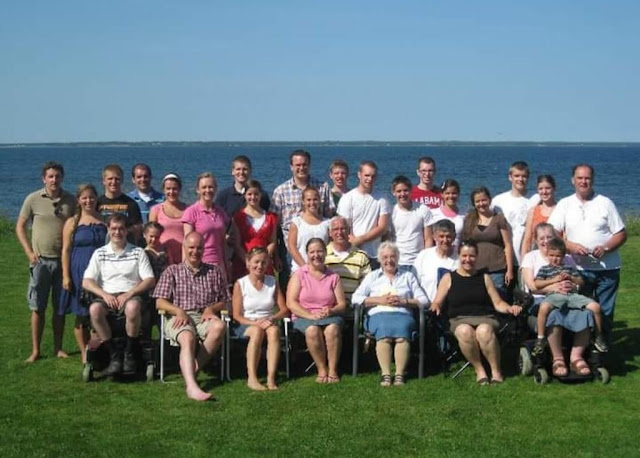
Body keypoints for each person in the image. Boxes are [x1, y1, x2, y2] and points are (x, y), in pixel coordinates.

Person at [548, 164, 627, 342]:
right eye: (580, 178)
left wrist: (605, 247)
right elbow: (553, 233)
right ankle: (579, 350)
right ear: (572, 180)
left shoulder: (605, 203)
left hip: (607, 269)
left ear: (593, 180)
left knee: (605, 311)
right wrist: (570, 246)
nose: (584, 182)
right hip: (577, 270)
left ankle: (601, 349)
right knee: (579, 310)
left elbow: (621, 234)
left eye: (587, 178)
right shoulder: (565, 204)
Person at [430, 240, 522, 384]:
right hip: (458, 319)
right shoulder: (448, 278)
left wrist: (510, 308)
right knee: (464, 331)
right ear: (459, 256)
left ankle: (496, 371)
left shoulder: (484, 278)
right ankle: (480, 370)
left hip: (485, 317)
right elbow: (437, 301)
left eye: (472, 256)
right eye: (464, 255)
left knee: (484, 330)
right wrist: (435, 306)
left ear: (477, 257)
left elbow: (497, 302)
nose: (468, 259)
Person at [153, 232, 229, 401]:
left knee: (219, 327)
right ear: (184, 248)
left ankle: (191, 370)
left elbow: (225, 301)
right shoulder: (172, 271)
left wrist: (211, 309)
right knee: (187, 337)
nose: (195, 251)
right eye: (191, 248)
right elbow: (159, 302)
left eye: (199, 248)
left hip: (204, 316)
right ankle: (192, 387)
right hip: (180, 316)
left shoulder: (214, 271)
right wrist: (177, 310)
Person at [16, 161, 76, 362]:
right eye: (50, 176)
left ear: (62, 178)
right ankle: (36, 350)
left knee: (59, 308)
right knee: (38, 308)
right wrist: (29, 253)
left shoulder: (70, 201)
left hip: (63, 262)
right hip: (40, 262)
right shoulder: (33, 199)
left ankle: (58, 348)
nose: (54, 180)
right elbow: (20, 227)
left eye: (57, 176)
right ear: (44, 178)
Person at [82, 213, 156, 375]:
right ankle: (113, 355)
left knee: (133, 306)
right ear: (108, 229)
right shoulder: (99, 253)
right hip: (106, 296)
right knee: (94, 310)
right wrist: (104, 295)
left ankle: (130, 353)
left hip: (130, 294)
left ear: (126, 230)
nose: (117, 232)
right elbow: (87, 281)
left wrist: (129, 293)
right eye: (114, 228)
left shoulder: (137, 252)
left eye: (121, 228)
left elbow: (149, 279)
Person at [521, 223, 596, 377]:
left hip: (569, 296)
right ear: (536, 239)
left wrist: (571, 287)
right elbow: (532, 286)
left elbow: (577, 281)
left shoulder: (566, 258)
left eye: (549, 237)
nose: (545, 240)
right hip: (541, 298)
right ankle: (558, 358)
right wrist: (554, 287)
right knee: (555, 315)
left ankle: (576, 357)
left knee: (586, 313)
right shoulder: (531, 257)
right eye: (541, 238)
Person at [352, 242, 429, 386]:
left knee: (402, 334)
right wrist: (379, 300)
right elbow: (356, 298)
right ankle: (386, 374)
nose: (389, 260)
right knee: (384, 333)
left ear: (398, 258)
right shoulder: (373, 276)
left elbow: (424, 300)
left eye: (392, 256)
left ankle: (399, 374)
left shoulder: (408, 276)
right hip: (378, 314)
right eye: (385, 257)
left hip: (402, 314)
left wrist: (404, 301)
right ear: (380, 260)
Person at [532, 238, 607, 356]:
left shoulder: (569, 268)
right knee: (544, 307)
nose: (555, 259)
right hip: (555, 295)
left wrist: (571, 278)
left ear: (563, 256)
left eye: (558, 256)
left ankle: (598, 336)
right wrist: (553, 280)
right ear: (547, 255)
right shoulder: (545, 269)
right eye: (551, 255)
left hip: (572, 295)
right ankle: (540, 338)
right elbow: (537, 283)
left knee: (596, 307)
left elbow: (581, 282)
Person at [286, 238, 347, 383]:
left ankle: (332, 369)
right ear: (307, 254)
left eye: (319, 251)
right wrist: (310, 315)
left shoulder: (333, 277)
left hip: (329, 315)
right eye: (312, 252)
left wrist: (331, 311)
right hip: (303, 316)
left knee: (332, 329)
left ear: (325, 253)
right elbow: (291, 302)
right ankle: (321, 369)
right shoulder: (299, 275)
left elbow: (342, 304)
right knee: (312, 330)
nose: (316, 255)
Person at [60, 184, 107, 364]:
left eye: (92, 197)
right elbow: (65, 250)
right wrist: (66, 275)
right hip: (78, 271)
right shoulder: (72, 222)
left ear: (97, 198)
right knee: (81, 314)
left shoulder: (103, 220)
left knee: (99, 311)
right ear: (78, 200)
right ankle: (83, 352)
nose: (88, 201)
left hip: (101, 273)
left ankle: (98, 349)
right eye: (84, 198)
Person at [232, 246, 289, 391]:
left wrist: (272, 318)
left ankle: (271, 378)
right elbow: (237, 315)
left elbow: (284, 309)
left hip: (268, 321)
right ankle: (252, 378)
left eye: (264, 262)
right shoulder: (241, 284)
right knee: (257, 331)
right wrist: (255, 322)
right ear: (248, 263)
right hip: (246, 323)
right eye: (256, 262)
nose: (260, 266)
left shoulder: (272, 282)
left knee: (274, 331)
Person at [182, 172, 244, 281]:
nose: (207, 190)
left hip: (219, 264)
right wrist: (185, 268)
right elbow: (186, 244)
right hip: (199, 264)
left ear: (215, 189)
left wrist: (226, 265)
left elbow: (223, 242)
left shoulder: (220, 212)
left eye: (210, 187)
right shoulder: (191, 212)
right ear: (198, 190)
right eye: (204, 187)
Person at [462, 187, 514, 300]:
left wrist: (509, 270)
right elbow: (465, 245)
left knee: (498, 299)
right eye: (477, 201)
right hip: (475, 268)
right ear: (474, 203)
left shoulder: (499, 219)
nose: (481, 204)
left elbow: (508, 245)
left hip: (497, 268)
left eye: (484, 200)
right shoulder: (469, 219)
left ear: (490, 200)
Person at [337, 161, 390, 269]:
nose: (369, 179)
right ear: (359, 175)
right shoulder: (348, 198)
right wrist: (353, 243)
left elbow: (382, 228)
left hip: (374, 255)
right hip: (352, 253)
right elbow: (344, 226)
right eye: (366, 175)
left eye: (373, 176)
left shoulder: (382, 199)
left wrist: (360, 239)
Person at [232, 179, 279, 280]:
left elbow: (272, 242)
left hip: (264, 264)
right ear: (245, 195)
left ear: (260, 195)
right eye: (249, 194)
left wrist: (264, 259)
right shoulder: (238, 217)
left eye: (256, 194)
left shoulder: (271, 217)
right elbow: (237, 244)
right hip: (243, 264)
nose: (253, 197)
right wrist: (248, 262)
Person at [491, 161, 536, 266]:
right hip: (504, 260)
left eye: (524, 176)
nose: (520, 179)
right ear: (510, 177)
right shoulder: (498, 201)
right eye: (517, 176)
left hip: (527, 258)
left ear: (528, 178)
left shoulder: (535, 199)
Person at [324, 216, 371, 305]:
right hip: (330, 310)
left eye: (343, 229)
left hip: (354, 309)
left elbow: (366, 286)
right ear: (330, 233)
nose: (339, 232)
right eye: (335, 229)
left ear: (349, 231)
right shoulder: (323, 255)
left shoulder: (362, 256)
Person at [389, 175, 433, 270]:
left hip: (418, 262)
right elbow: (389, 239)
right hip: (398, 262)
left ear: (411, 190)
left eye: (405, 190)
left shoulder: (423, 209)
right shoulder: (391, 212)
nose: (403, 194)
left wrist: (426, 259)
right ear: (393, 193)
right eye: (399, 191)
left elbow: (428, 238)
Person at [413, 219, 459, 302]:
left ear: (454, 237)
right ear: (434, 237)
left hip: (453, 308)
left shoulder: (460, 259)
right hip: (427, 307)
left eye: (448, 236)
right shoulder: (423, 256)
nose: (445, 240)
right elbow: (415, 283)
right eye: (441, 236)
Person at [288, 187, 331, 272]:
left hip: (321, 270)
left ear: (319, 201)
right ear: (303, 202)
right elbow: (292, 246)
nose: (312, 203)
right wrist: (304, 267)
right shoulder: (297, 222)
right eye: (308, 200)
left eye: (315, 199)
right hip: (300, 270)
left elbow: (330, 246)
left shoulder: (327, 223)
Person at [97, 164, 143, 243]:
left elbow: (137, 229)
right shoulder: (97, 203)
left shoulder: (131, 204)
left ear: (122, 180)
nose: (113, 182)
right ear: (104, 181)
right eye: (110, 179)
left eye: (117, 179)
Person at [149, 173, 187, 266]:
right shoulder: (156, 210)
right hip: (163, 257)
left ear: (179, 189)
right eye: (168, 189)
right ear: (163, 190)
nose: (171, 192)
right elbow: (151, 235)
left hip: (184, 256)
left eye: (175, 189)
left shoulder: (188, 210)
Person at [521, 175, 557, 260]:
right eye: (541, 189)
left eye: (547, 188)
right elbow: (527, 240)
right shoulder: (533, 211)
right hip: (536, 257)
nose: (544, 192)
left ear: (554, 189)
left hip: (555, 258)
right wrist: (523, 262)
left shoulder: (560, 210)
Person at [429, 179, 465, 251]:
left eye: (454, 193)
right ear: (442, 194)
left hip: (456, 256)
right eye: (447, 193)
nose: (451, 196)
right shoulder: (432, 213)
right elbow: (429, 239)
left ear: (458, 194)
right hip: (438, 255)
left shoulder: (463, 215)